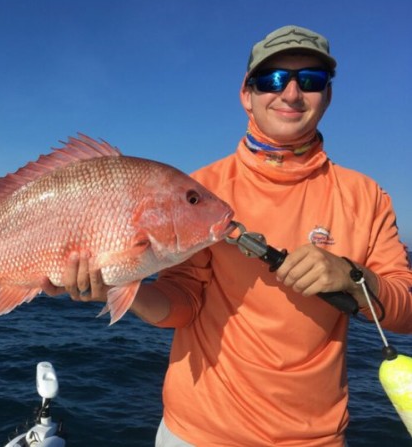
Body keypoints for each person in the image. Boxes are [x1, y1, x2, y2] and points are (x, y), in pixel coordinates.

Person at [43, 25, 412, 446]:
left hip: (314, 439)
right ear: (247, 94)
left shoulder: (366, 197)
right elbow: (182, 306)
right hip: (195, 432)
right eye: (273, 79)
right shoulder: (199, 189)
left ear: (327, 95)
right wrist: (114, 285)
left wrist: (351, 276)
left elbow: (405, 312)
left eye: (310, 80)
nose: (291, 94)